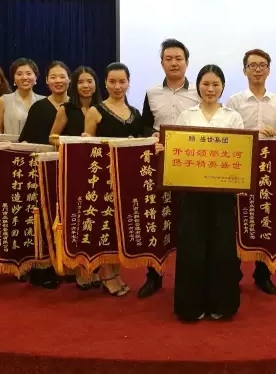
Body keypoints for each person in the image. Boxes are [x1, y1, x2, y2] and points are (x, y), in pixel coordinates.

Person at [155, 64, 243, 321]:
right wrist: (165, 152)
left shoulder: (232, 117)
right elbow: (178, 148)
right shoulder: (187, 115)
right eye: (206, 84)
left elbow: (240, 152)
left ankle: (221, 303)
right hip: (191, 192)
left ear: (223, 87)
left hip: (223, 192)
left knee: (221, 247)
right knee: (192, 246)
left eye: (216, 84)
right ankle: (191, 305)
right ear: (198, 86)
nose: (210, 89)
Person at [138, 38, 199, 299]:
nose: (174, 63)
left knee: (187, 220)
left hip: (191, 164)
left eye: (179, 59)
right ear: (162, 63)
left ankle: (188, 278)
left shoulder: (199, 90)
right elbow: (144, 125)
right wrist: (150, 135)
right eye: (169, 59)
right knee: (157, 217)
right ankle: (154, 276)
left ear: (187, 62)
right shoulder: (151, 92)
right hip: (160, 162)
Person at [225, 48, 276, 295]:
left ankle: (263, 273)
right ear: (245, 70)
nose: (258, 70)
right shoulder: (234, 101)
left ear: (269, 70)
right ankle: (234, 273)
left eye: (262, 65)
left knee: (265, 216)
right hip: (240, 166)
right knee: (238, 219)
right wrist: (254, 132)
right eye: (253, 65)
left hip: (269, 168)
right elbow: (229, 134)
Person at [84, 62, 144, 296]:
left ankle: (116, 272)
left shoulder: (136, 113)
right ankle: (106, 273)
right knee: (105, 225)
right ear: (105, 83)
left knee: (120, 226)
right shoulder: (95, 111)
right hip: (103, 179)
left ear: (129, 83)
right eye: (112, 82)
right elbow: (87, 147)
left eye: (122, 81)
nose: (117, 86)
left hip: (127, 179)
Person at [18, 60, 72, 289]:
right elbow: (26, 141)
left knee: (68, 218)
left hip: (70, 172)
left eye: (62, 76)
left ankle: (70, 265)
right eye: (53, 77)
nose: (58, 81)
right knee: (44, 219)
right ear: (47, 81)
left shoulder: (76, 106)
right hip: (43, 172)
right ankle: (44, 268)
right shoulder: (39, 108)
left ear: (69, 79)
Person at [49, 65, 103, 290]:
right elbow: (52, 136)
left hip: (97, 172)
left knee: (96, 221)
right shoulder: (66, 109)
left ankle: (95, 268)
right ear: (74, 85)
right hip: (73, 170)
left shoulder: (103, 108)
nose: (85, 86)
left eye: (89, 81)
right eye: (81, 82)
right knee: (78, 219)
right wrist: (72, 142)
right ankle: (79, 270)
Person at [0, 58, 44, 135]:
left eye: (29, 73)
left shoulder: (44, 101)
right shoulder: (3, 101)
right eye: (19, 74)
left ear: (36, 77)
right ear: (14, 78)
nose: (24, 77)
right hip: (9, 142)